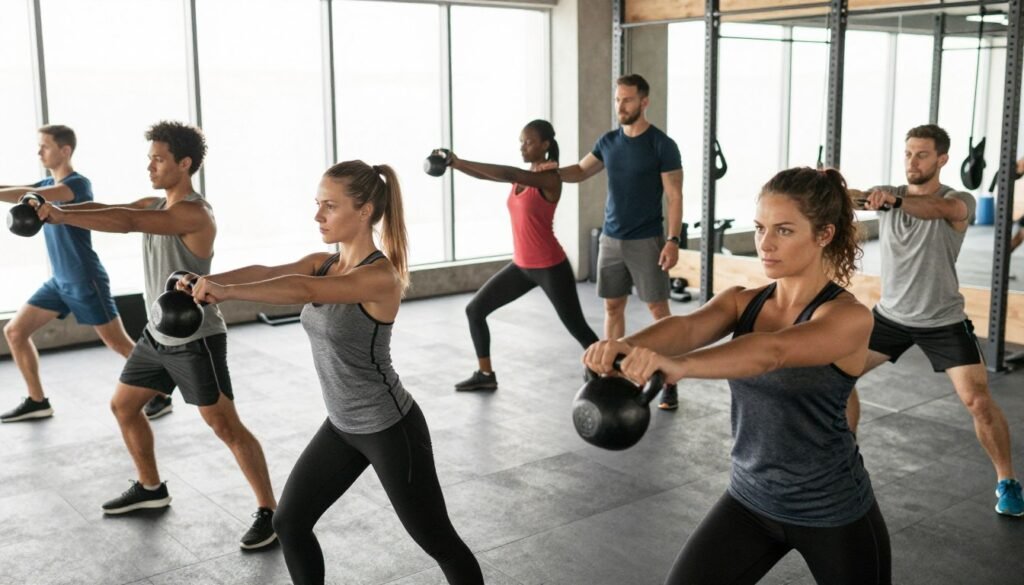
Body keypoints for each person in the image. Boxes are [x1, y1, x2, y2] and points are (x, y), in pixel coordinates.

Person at [585, 167, 891, 584]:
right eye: (760, 228)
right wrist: (629, 346)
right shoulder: (742, 302)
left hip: (831, 509)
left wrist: (681, 367)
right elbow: (688, 327)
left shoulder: (848, 318)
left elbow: (774, 352)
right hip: (750, 499)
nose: (764, 244)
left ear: (824, 235)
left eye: (784, 231)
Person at [188, 160, 483, 585]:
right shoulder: (325, 262)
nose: (318, 215)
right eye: (317, 204)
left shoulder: (380, 276)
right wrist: (207, 279)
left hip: (388, 427)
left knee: (438, 540)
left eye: (330, 205)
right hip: (342, 425)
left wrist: (229, 293)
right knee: (289, 523)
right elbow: (271, 273)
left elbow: (304, 290)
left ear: (364, 212)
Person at [34, 121, 278, 548]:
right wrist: (57, 210)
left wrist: (61, 215)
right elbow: (111, 208)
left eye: (159, 158)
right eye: (149, 158)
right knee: (124, 406)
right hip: (155, 336)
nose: (150, 165)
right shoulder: (157, 201)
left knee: (224, 426)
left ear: (184, 164)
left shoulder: (192, 213)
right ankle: (151, 489)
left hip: (196, 337)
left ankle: (270, 512)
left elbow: (128, 221)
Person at [848, 124, 1021, 517]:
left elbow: (941, 211)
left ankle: (1007, 481)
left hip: (942, 320)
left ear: (942, 159)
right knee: (836, 375)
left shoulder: (959, 200)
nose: (912, 162)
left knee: (977, 401)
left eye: (922, 155)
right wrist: (826, 186)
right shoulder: (887, 193)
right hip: (890, 317)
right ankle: (846, 462)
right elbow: (852, 198)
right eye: (908, 153)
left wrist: (889, 201)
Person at [435, 120, 599, 391]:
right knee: (475, 310)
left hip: (550, 266)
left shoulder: (550, 178)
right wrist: (457, 164)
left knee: (578, 328)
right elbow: (490, 175)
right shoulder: (524, 178)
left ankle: (611, 371)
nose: (522, 146)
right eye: (521, 141)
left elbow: (507, 172)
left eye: (529, 141)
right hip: (522, 266)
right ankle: (486, 375)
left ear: (545, 145)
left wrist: (459, 160)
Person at [558, 73, 684, 410]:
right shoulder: (608, 142)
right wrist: (548, 172)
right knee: (613, 307)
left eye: (627, 100)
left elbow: (674, 195)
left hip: (647, 240)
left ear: (644, 102)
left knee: (660, 311)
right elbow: (580, 171)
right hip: (611, 240)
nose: (620, 106)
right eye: (617, 99)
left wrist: (672, 240)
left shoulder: (662, 145)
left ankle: (670, 381)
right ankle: (610, 374)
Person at [0, 125, 136, 423]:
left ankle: (161, 392)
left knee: (119, 344)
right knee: (15, 331)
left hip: (85, 278)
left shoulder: (77, 185)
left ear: (65, 150)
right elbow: (17, 190)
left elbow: (29, 193)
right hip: (59, 282)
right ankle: (38, 401)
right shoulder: (46, 182)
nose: (39, 152)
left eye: (44, 146)